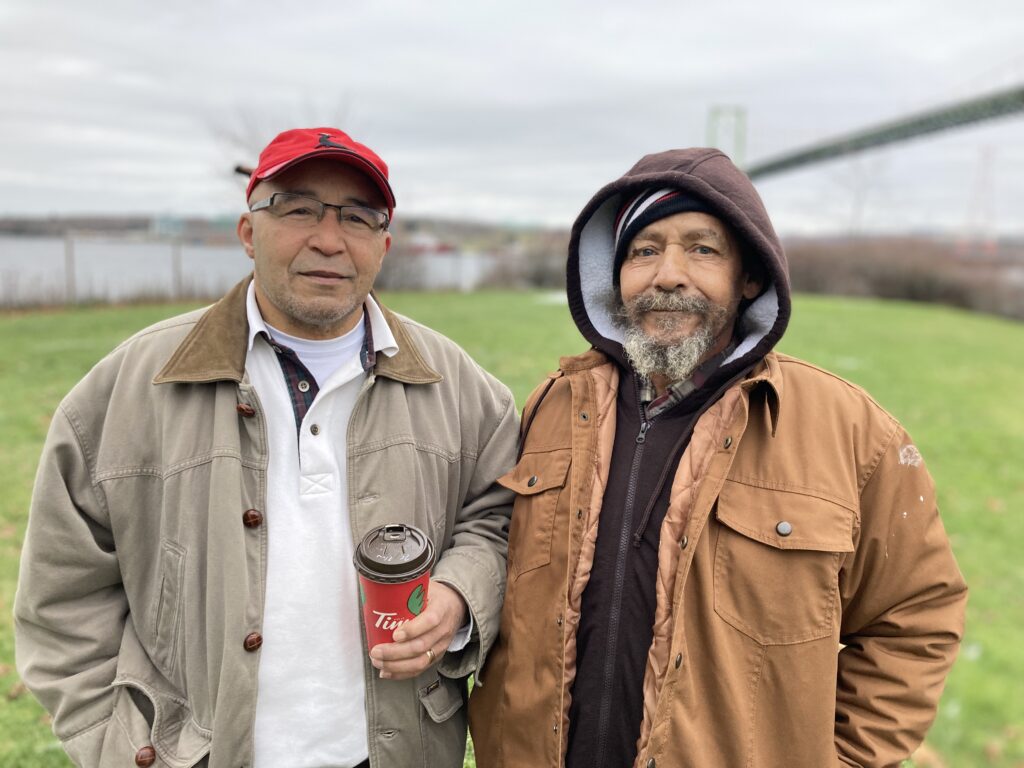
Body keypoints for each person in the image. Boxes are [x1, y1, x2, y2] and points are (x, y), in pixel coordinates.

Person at [15, 127, 518, 768]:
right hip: (194, 753)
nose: (329, 240)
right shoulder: (127, 389)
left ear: (383, 246)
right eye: (299, 208)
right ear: (248, 232)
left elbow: (497, 522)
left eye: (358, 218)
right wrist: (117, 745)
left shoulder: (463, 390)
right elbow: (62, 596)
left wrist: (458, 596)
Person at [468, 148, 967, 768]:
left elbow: (914, 617)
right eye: (644, 251)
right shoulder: (555, 403)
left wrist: (844, 760)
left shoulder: (853, 432)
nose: (668, 275)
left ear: (749, 277)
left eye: (702, 250)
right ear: (614, 275)